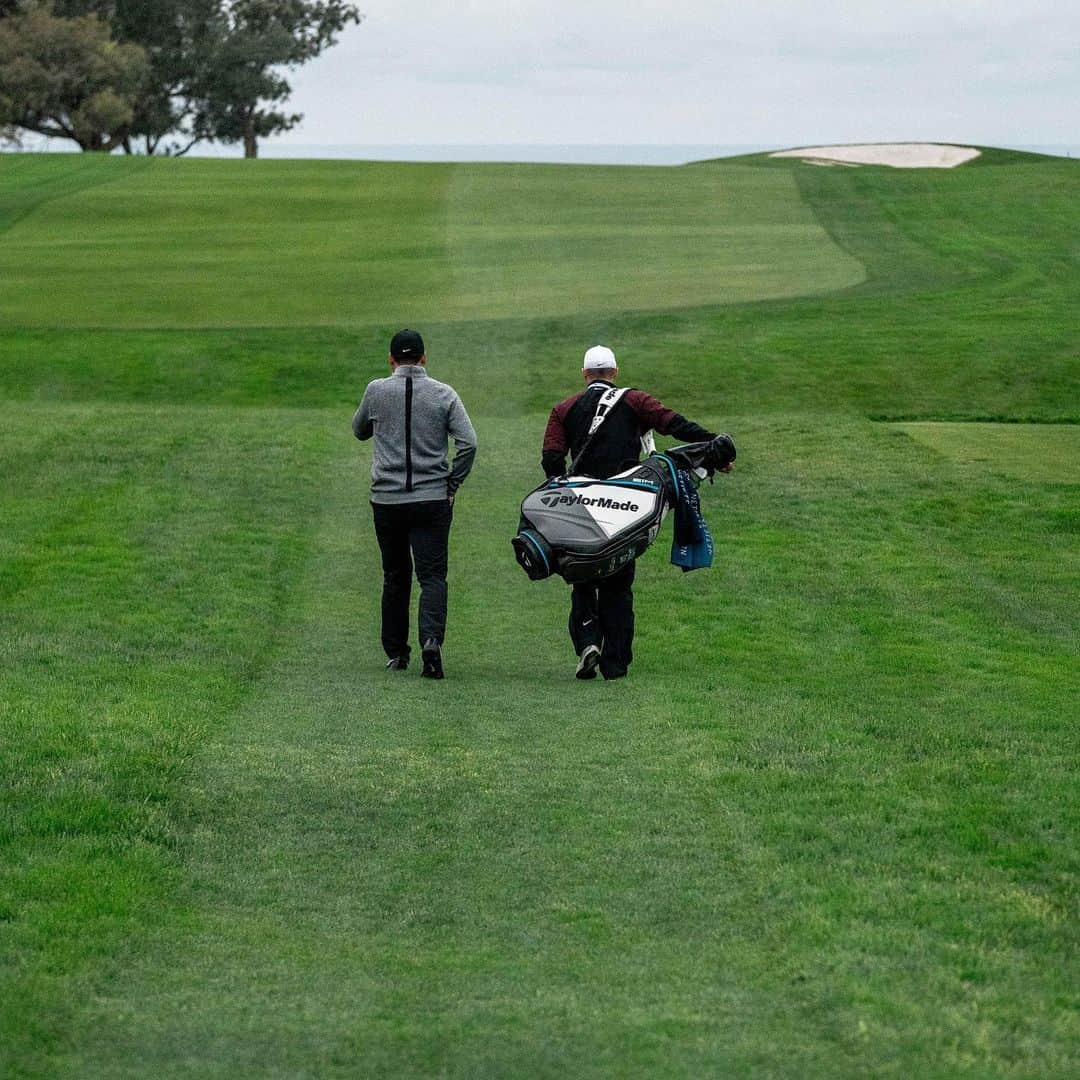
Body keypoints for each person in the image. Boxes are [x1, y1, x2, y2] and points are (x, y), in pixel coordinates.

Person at [541, 345, 728, 681]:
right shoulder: (635, 400)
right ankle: (615, 664)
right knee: (618, 583)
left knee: (581, 576)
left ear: (584, 374)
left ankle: (587, 642)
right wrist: (713, 445)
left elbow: (552, 459)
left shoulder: (563, 408)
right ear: (615, 372)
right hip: (625, 506)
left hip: (581, 506)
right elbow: (673, 424)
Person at [352, 329, 477, 679]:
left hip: (387, 499)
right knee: (433, 576)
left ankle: (395, 652)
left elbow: (358, 429)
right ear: (424, 358)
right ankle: (431, 640)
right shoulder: (443, 394)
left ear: (391, 360)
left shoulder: (376, 390)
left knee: (395, 575)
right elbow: (468, 443)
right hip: (431, 498)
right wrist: (452, 482)